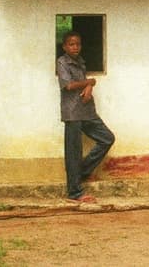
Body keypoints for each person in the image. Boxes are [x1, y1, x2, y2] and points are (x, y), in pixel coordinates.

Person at [57, 30, 115, 203]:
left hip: (87, 110)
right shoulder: (62, 62)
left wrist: (91, 84)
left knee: (107, 138)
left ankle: (81, 172)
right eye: (71, 44)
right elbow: (68, 85)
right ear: (64, 46)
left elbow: (85, 83)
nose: (75, 47)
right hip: (72, 113)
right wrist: (89, 82)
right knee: (74, 152)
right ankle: (74, 192)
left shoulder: (80, 61)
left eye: (78, 44)